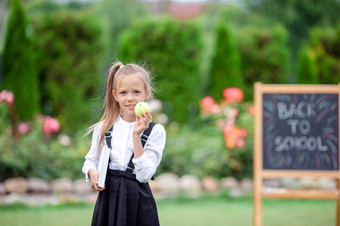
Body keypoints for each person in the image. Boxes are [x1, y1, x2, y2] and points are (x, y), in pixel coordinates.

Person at [82, 61, 166, 226]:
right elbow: (90, 161)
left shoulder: (156, 131)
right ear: (115, 95)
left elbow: (144, 176)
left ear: (147, 94)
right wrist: (92, 173)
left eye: (136, 92)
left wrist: (136, 135)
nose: (130, 98)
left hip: (139, 204)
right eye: (123, 92)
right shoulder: (104, 128)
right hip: (108, 201)